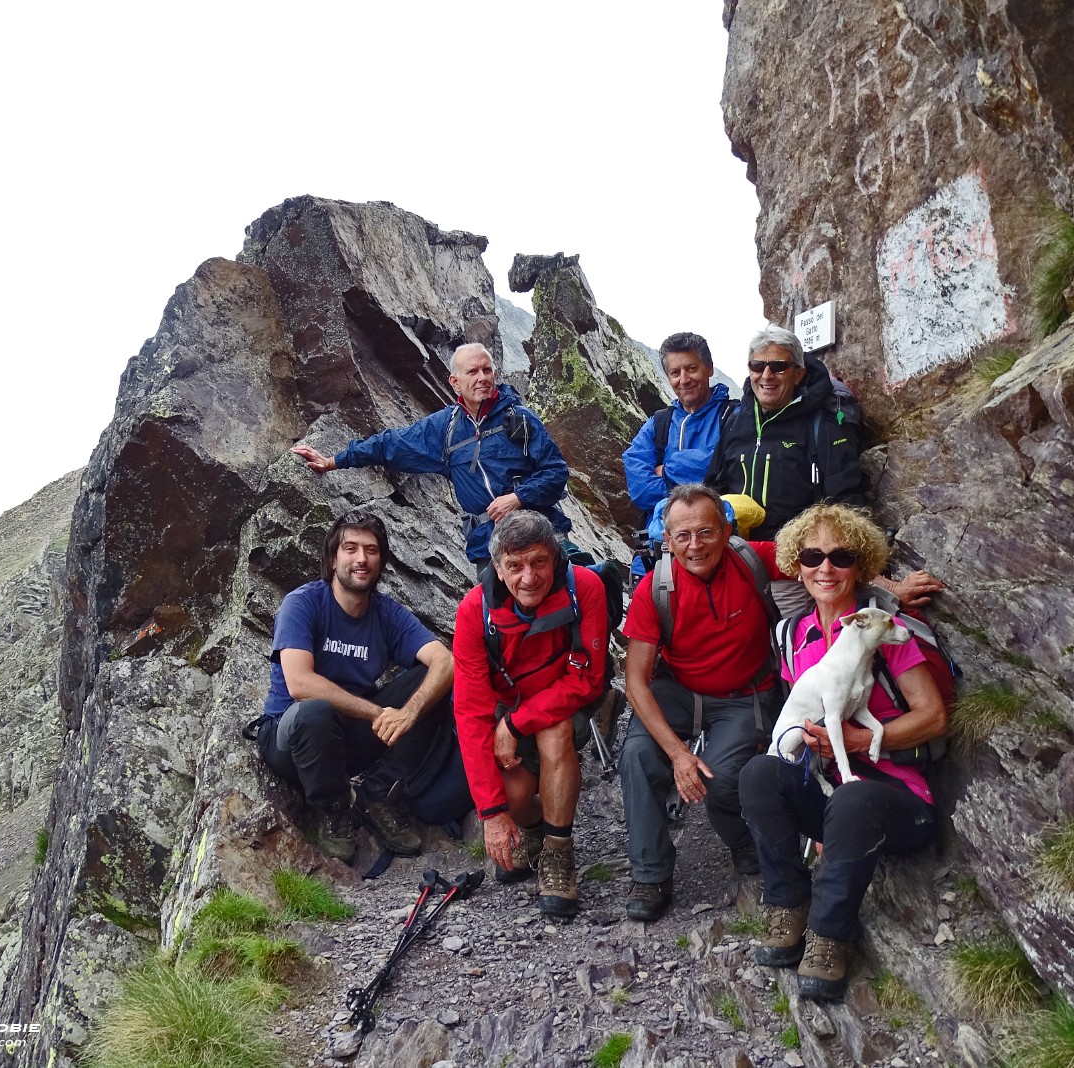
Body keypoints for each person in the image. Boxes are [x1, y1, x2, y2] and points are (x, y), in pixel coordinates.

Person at [739, 503, 947, 1002]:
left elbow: (934, 716)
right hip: (834, 789)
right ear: (797, 564)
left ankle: (829, 937)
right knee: (757, 774)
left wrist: (859, 742)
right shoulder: (792, 635)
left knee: (854, 802)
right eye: (812, 556)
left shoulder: (885, 632)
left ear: (861, 564)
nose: (825, 568)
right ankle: (787, 905)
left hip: (898, 796)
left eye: (841, 556)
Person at [618, 483, 787, 922]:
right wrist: (677, 754)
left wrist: (891, 588)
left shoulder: (755, 560)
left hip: (744, 693)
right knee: (637, 754)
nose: (695, 545)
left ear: (727, 530)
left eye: (706, 532)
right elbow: (635, 680)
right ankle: (650, 873)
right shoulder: (656, 590)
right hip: (679, 689)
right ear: (667, 541)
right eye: (683, 536)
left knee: (721, 779)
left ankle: (741, 839)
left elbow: (824, 563)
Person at [254, 511, 454, 864]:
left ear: (380, 561)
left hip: (352, 738)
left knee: (433, 683)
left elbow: (445, 660)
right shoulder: (302, 603)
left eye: (371, 550)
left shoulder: (387, 614)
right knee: (314, 711)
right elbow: (300, 684)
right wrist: (380, 713)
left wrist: (407, 714)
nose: (361, 559)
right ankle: (333, 808)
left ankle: (378, 794)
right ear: (333, 558)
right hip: (294, 739)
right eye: (350, 548)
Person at [706, 325, 944, 613]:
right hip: (736, 563)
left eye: (779, 367)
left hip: (795, 573)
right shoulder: (734, 420)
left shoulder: (821, 424)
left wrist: (886, 585)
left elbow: (845, 507)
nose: (766, 376)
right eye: (758, 365)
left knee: (793, 650)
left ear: (798, 373)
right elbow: (712, 490)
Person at [452, 511, 609, 918]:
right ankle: (534, 833)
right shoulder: (474, 612)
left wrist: (514, 723)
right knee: (512, 795)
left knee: (554, 732)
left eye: (539, 562)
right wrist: (490, 814)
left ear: (555, 559)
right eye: (515, 566)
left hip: (563, 700)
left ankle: (558, 854)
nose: (529, 577)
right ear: (498, 570)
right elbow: (469, 710)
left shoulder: (585, 588)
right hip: (510, 704)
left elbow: (589, 678)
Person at [290, 343, 572, 567]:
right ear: (455, 381)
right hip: (490, 546)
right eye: (473, 372)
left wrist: (518, 498)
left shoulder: (520, 419)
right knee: (494, 627)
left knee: (574, 600)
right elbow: (391, 444)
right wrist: (333, 461)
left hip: (541, 533)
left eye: (487, 371)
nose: (483, 378)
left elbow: (557, 473)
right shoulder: (444, 429)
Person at [622, 332, 736, 581]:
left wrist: (668, 469)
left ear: (709, 368)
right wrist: (699, 484)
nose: (683, 379)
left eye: (691, 368)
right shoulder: (659, 423)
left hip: (716, 556)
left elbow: (721, 467)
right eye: (675, 372)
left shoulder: (733, 416)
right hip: (656, 557)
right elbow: (640, 489)